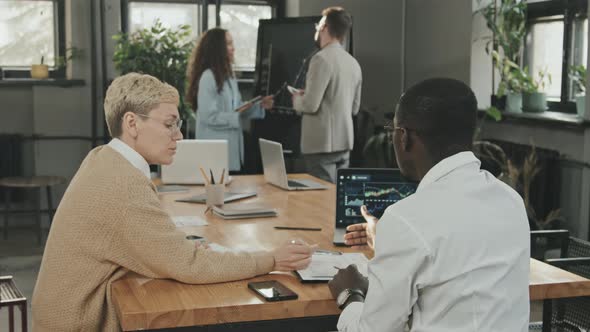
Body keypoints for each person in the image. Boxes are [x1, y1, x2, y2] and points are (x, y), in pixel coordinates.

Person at [31, 73, 312, 331]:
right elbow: (189, 265)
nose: (178, 135)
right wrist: (272, 259)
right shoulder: (123, 184)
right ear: (132, 123)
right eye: (169, 125)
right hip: (79, 323)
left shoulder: (102, 158)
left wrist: (174, 247)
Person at [328, 78, 530, 331]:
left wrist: (349, 293)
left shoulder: (406, 219)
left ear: (404, 138)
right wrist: (387, 247)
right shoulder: (510, 200)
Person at [291, 6, 362, 183]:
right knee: (337, 197)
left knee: (322, 201)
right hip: (344, 143)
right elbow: (354, 108)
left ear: (324, 27)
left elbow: (310, 105)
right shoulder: (353, 63)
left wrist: (297, 99)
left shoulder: (320, 59)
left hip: (321, 145)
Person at [187, 28, 273, 172]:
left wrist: (259, 105)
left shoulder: (229, 77)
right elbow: (209, 116)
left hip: (231, 148)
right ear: (217, 49)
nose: (233, 48)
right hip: (214, 150)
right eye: (228, 44)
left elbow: (236, 108)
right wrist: (235, 115)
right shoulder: (208, 77)